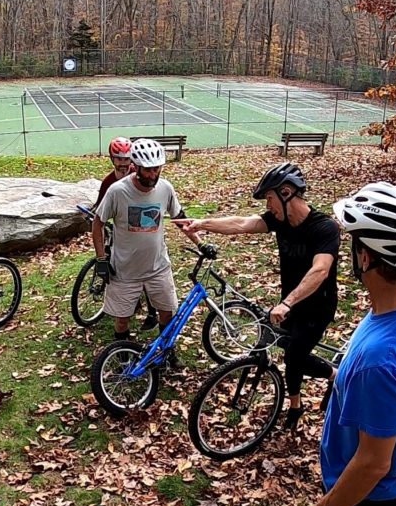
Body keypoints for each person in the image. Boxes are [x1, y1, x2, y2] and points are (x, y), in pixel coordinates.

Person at [290, 182, 396, 506]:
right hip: (383, 483)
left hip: (364, 501)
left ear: (366, 256)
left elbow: (372, 464)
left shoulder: (381, 361)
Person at [179, 162, 339, 430]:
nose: (269, 205)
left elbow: (320, 270)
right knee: (291, 351)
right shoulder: (280, 221)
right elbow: (242, 223)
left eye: (270, 198)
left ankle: (336, 375)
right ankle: (296, 405)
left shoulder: (324, 228)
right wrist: (201, 224)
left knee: (295, 356)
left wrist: (287, 302)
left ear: (287, 192)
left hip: (317, 307)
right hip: (289, 304)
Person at [91, 138, 213, 360]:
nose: (152, 175)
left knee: (167, 311)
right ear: (135, 167)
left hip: (158, 267)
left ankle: (167, 351)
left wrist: (200, 243)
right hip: (125, 270)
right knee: (122, 318)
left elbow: (180, 219)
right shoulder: (117, 192)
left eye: (156, 169)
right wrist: (101, 259)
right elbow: (97, 223)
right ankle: (122, 356)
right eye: (147, 170)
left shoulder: (165, 188)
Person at [98, 136, 156, 331]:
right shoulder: (108, 182)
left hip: (142, 229)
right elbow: (100, 206)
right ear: (112, 159)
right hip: (121, 229)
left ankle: (152, 311)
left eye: (126, 159)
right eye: (119, 159)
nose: (123, 163)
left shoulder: (138, 175)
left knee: (147, 269)